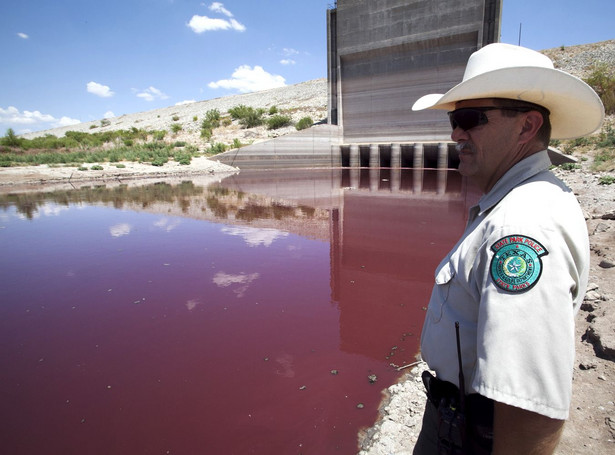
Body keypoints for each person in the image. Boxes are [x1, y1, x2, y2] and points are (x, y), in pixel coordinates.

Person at [410, 43, 605, 454]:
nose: (456, 133)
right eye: (453, 120)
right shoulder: (515, 203)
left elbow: (530, 408)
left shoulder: (519, 225)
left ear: (526, 127)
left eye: (469, 119)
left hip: (470, 436)